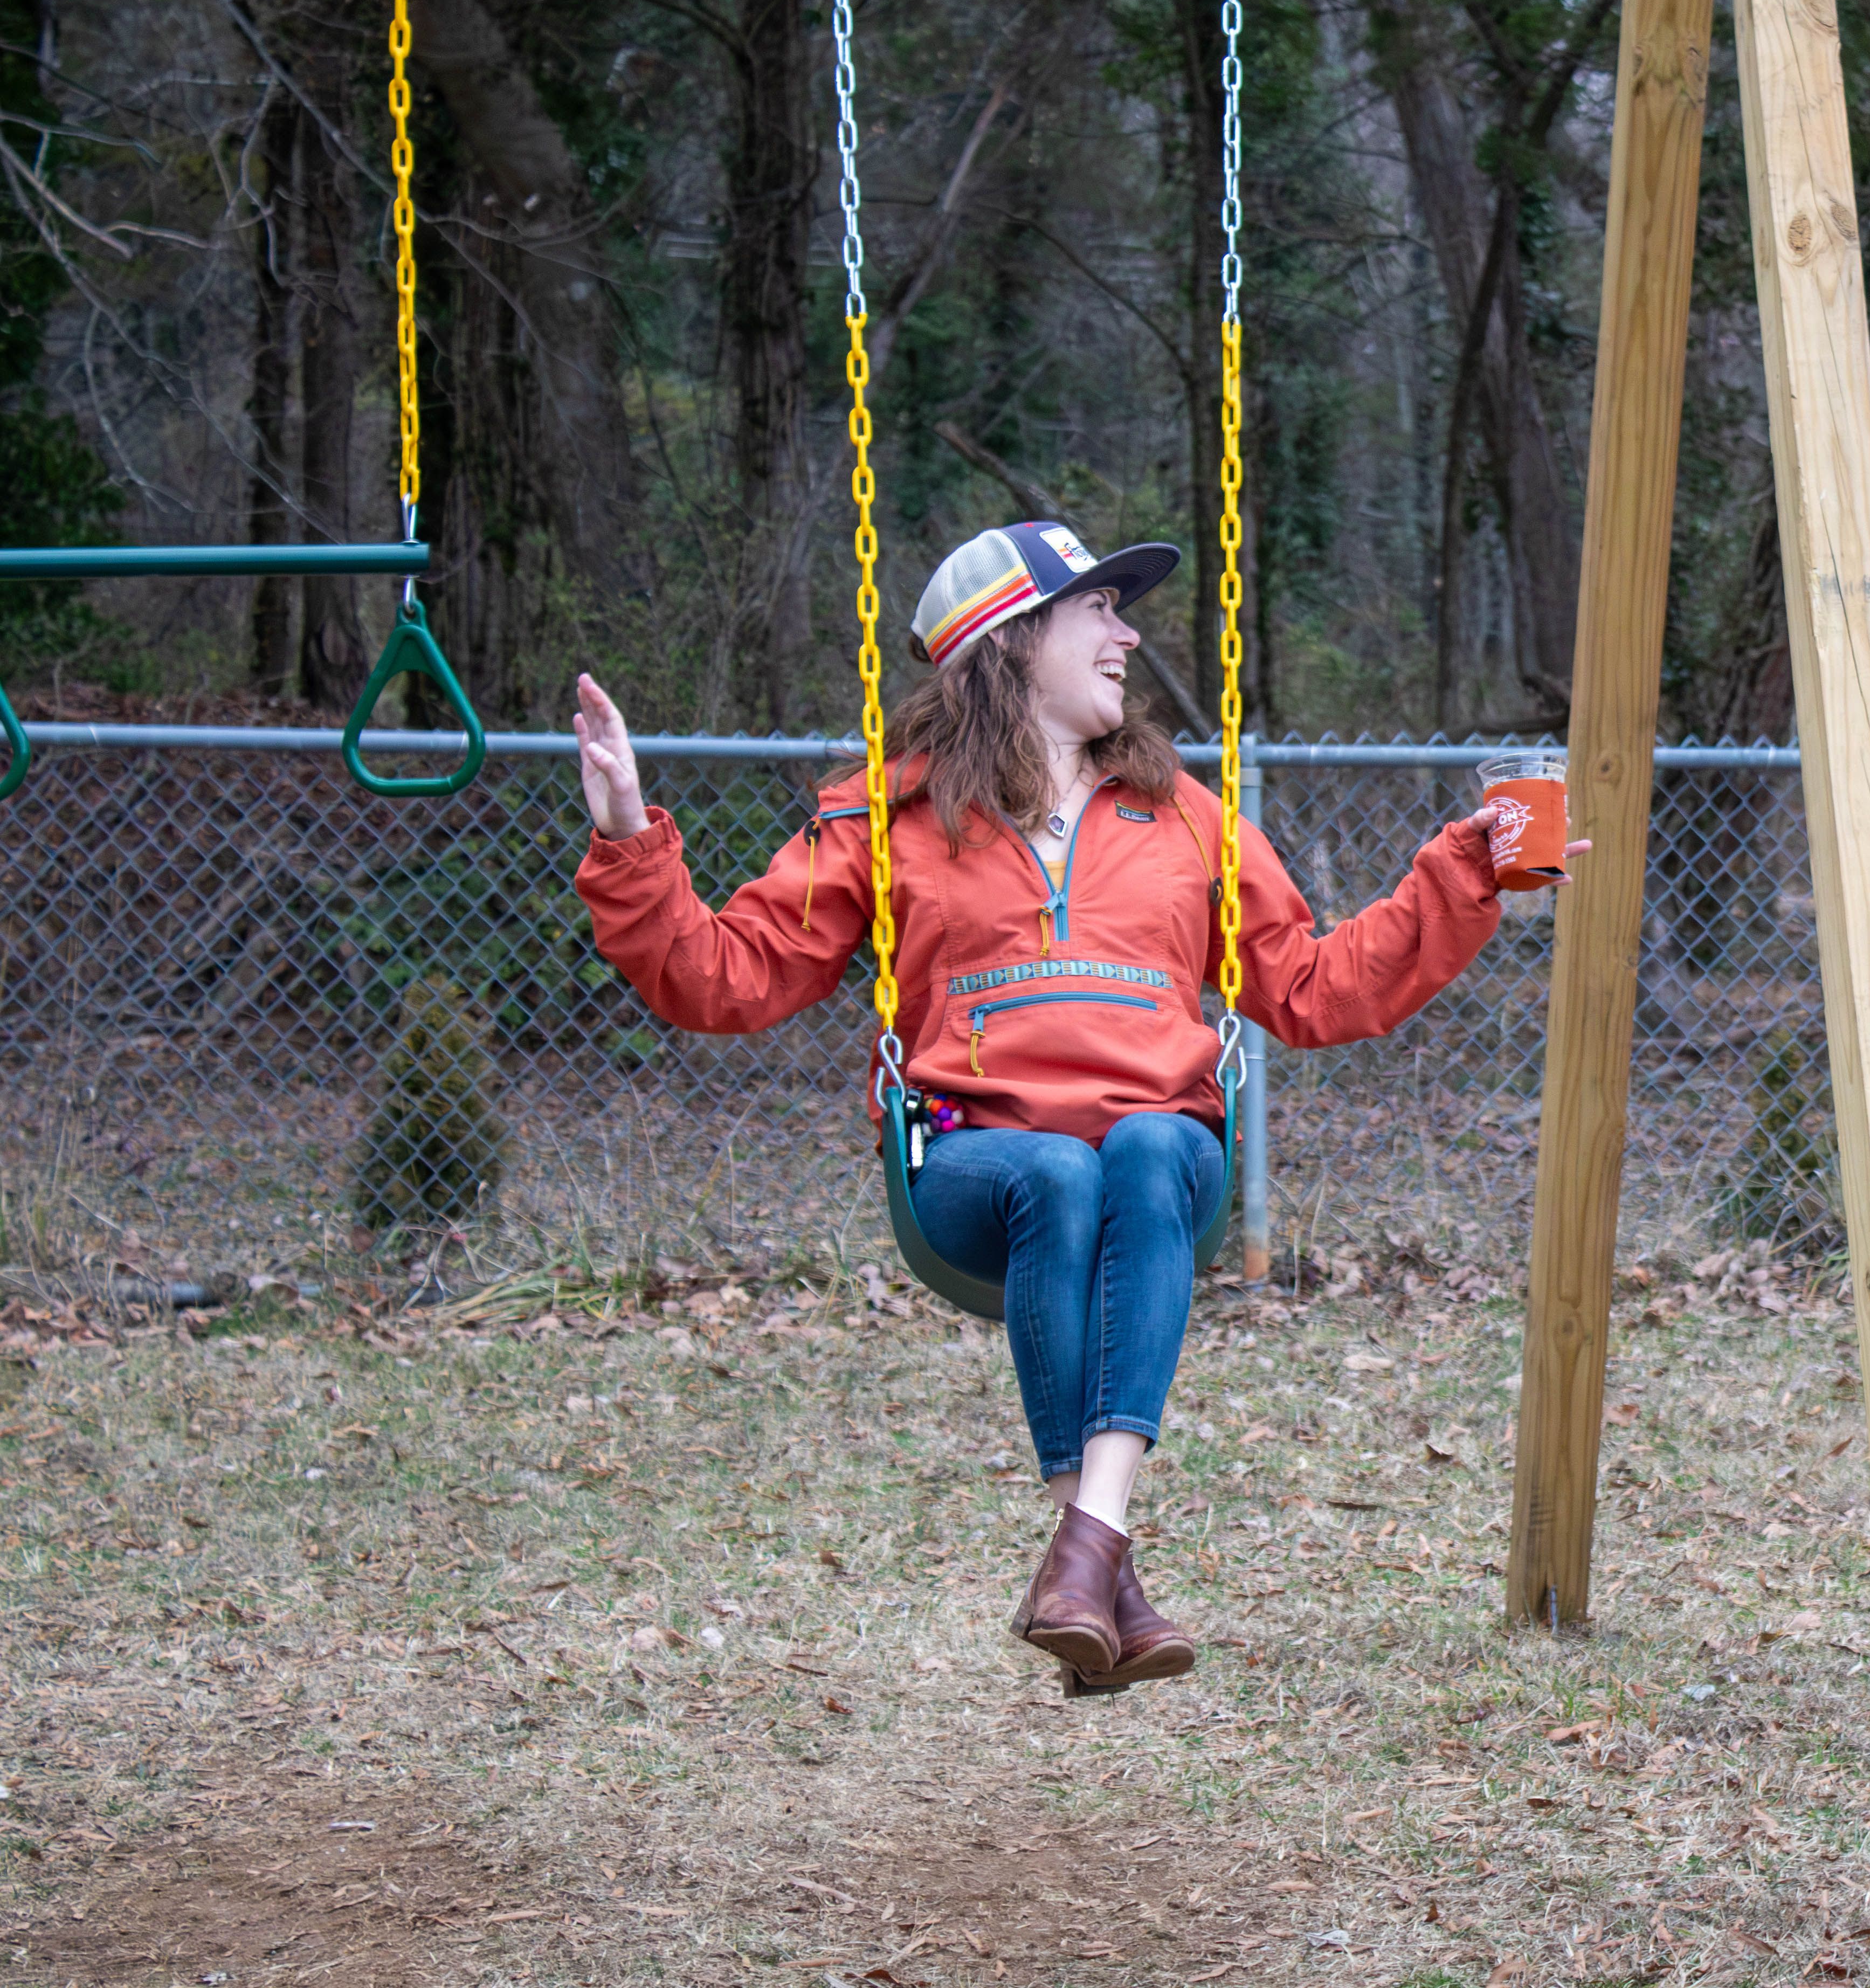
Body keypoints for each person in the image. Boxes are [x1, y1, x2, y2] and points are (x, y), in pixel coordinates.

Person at [569, 521, 1583, 1688]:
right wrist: (627, 830)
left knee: (1145, 1142)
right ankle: (1099, 1556)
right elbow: (720, 974)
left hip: (1163, 1163)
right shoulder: (883, 822)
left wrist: (1467, 868)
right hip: (972, 1166)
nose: (1128, 631)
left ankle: (1088, 1552)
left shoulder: (1188, 818)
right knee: (1052, 1169)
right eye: (1095, 608)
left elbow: (1315, 985)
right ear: (1008, 643)